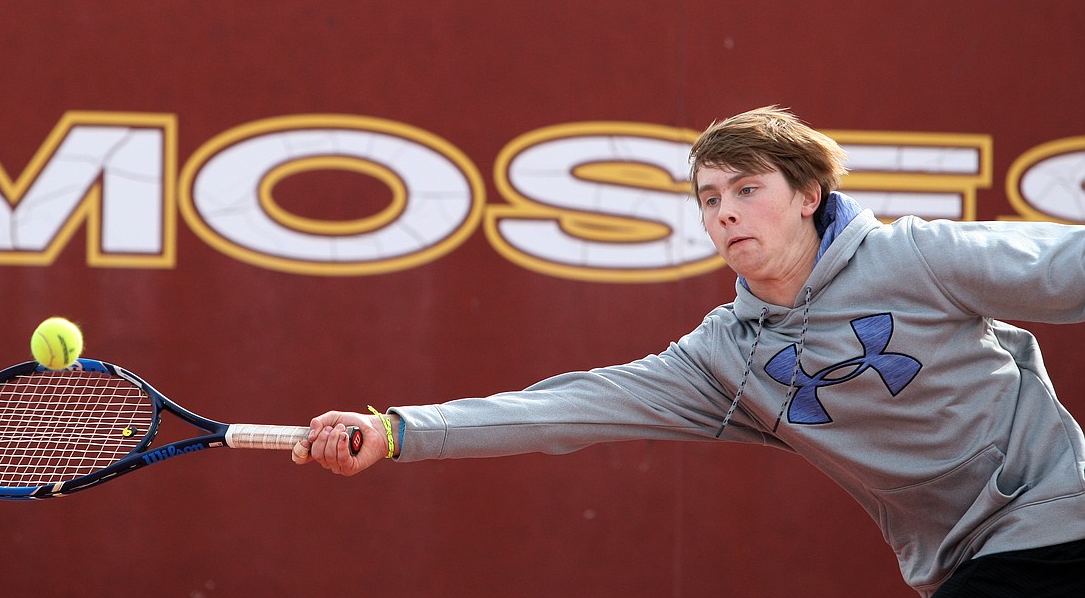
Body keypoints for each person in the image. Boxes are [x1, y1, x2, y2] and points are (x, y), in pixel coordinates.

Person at [293, 106, 1085, 597]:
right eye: (710, 199)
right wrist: (398, 431)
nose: (726, 212)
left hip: (1057, 528)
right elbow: (568, 406)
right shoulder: (724, 358)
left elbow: (1068, 271)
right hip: (960, 566)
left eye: (748, 189)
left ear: (808, 197)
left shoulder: (917, 258)